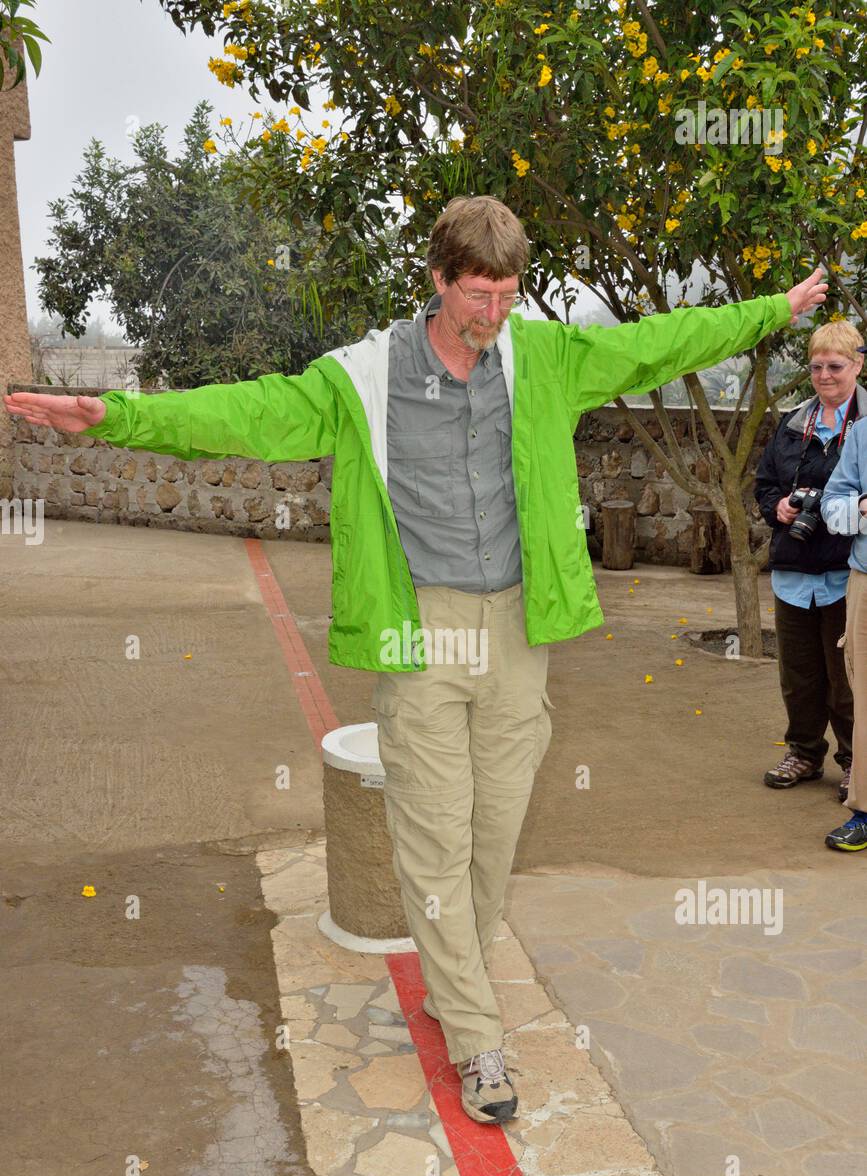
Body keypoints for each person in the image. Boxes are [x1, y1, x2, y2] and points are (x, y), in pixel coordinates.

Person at [3, 196, 828, 1124]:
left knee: (496, 830)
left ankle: (453, 982)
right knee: (434, 833)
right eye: (477, 294)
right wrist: (114, 415)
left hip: (519, 627)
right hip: (419, 629)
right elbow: (247, 413)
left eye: (509, 294)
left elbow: (661, 343)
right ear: (437, 280)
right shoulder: (364, 377)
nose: (492, 314)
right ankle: (478, 1035)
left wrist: (772, 311)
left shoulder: (543, 358)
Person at [754, 322, 865, 801]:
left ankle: (854, 763)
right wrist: (777, 507)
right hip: (794, 571)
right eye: (817, 366)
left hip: (847, 573)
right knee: (798, 675)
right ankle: (802, 751)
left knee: (846, 679)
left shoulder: (864, 427)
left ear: (857, 365)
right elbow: (764, 485)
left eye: (835, 366)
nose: (824, 375)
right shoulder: (793, 422)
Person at [821, 413, 867, 849]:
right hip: (865, 580)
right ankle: (865, 812)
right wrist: (861, 508)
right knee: (866, 699)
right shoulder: (864, 433)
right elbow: (832, 505)